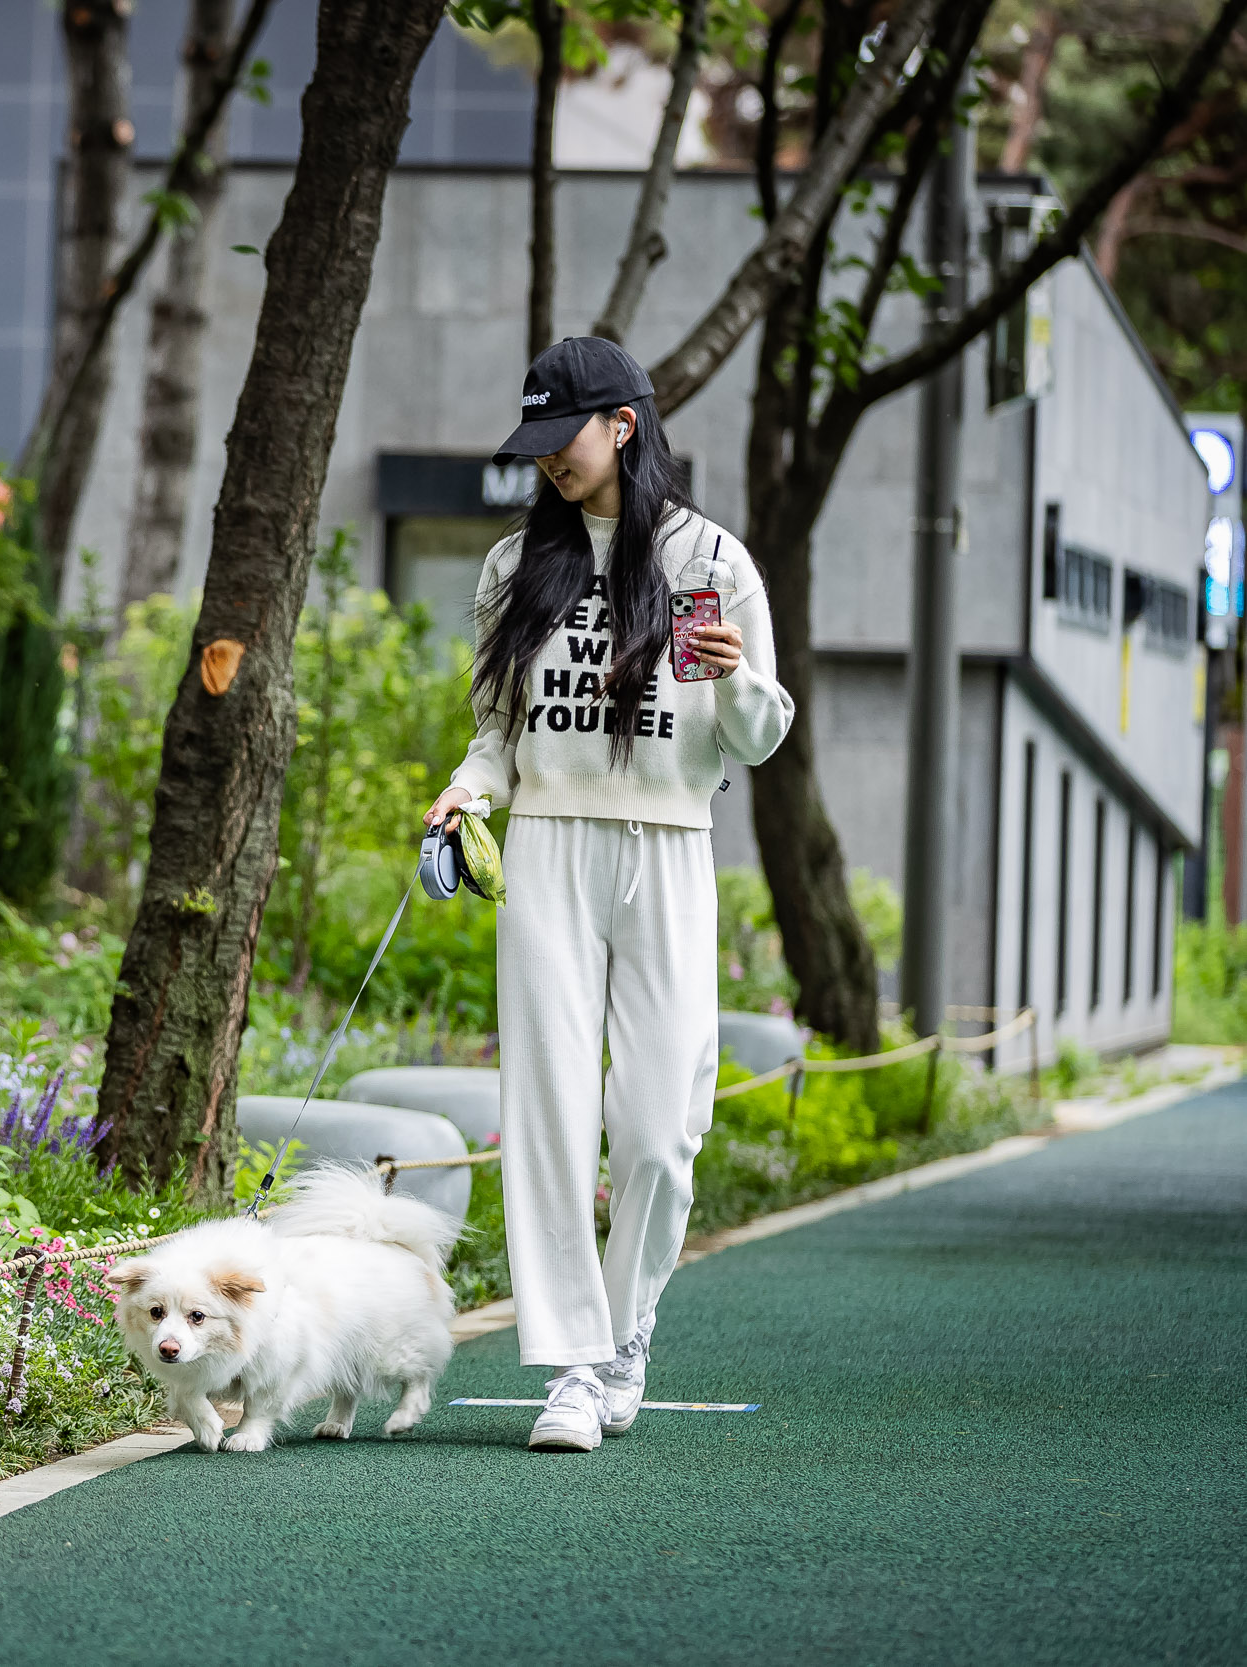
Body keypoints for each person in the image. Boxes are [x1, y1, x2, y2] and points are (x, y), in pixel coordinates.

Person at [425, 336, 793, 1453]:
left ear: (620, 427)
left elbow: (761, 737)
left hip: (669, 846)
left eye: (561, 440)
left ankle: (626, 1326)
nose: (547, 463)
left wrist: (733, 673)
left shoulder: (710, 559)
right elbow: (499, 732)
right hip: (543, 846)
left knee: (655, 1132)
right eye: (533, 445)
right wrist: (461, 793)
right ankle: (574, 1368)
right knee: (545, 1116)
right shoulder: (510, 568)